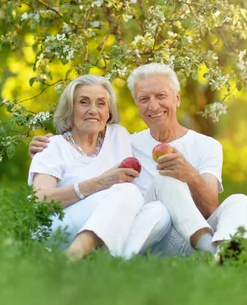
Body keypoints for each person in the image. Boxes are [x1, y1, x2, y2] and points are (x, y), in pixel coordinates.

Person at [31, 64, 247, 259]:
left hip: (188, 234)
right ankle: (212, 252)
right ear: (137, 104)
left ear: (177, 98)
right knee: (162, 184)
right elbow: (79, 150)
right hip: (151, 236)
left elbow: (211, 207)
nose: (153, 106)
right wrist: (45, 146)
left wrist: (190, 174)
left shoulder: (206, 145)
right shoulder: (129, 141)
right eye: (144, 99)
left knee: (240, 200)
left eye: (160, 96)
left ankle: (229, 255)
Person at [28, 74, 171, 260]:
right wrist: (100, 182)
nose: (93, 110)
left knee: (160, 212)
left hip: (105, 224)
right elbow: (39, 201)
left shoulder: (118, 136)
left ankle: (105, 260)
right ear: (70, 109)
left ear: (109, 112)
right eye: (84, 102)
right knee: (127, 190)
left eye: (101, 103)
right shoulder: (52, 146)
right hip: (57, 227)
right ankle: (73, 254)